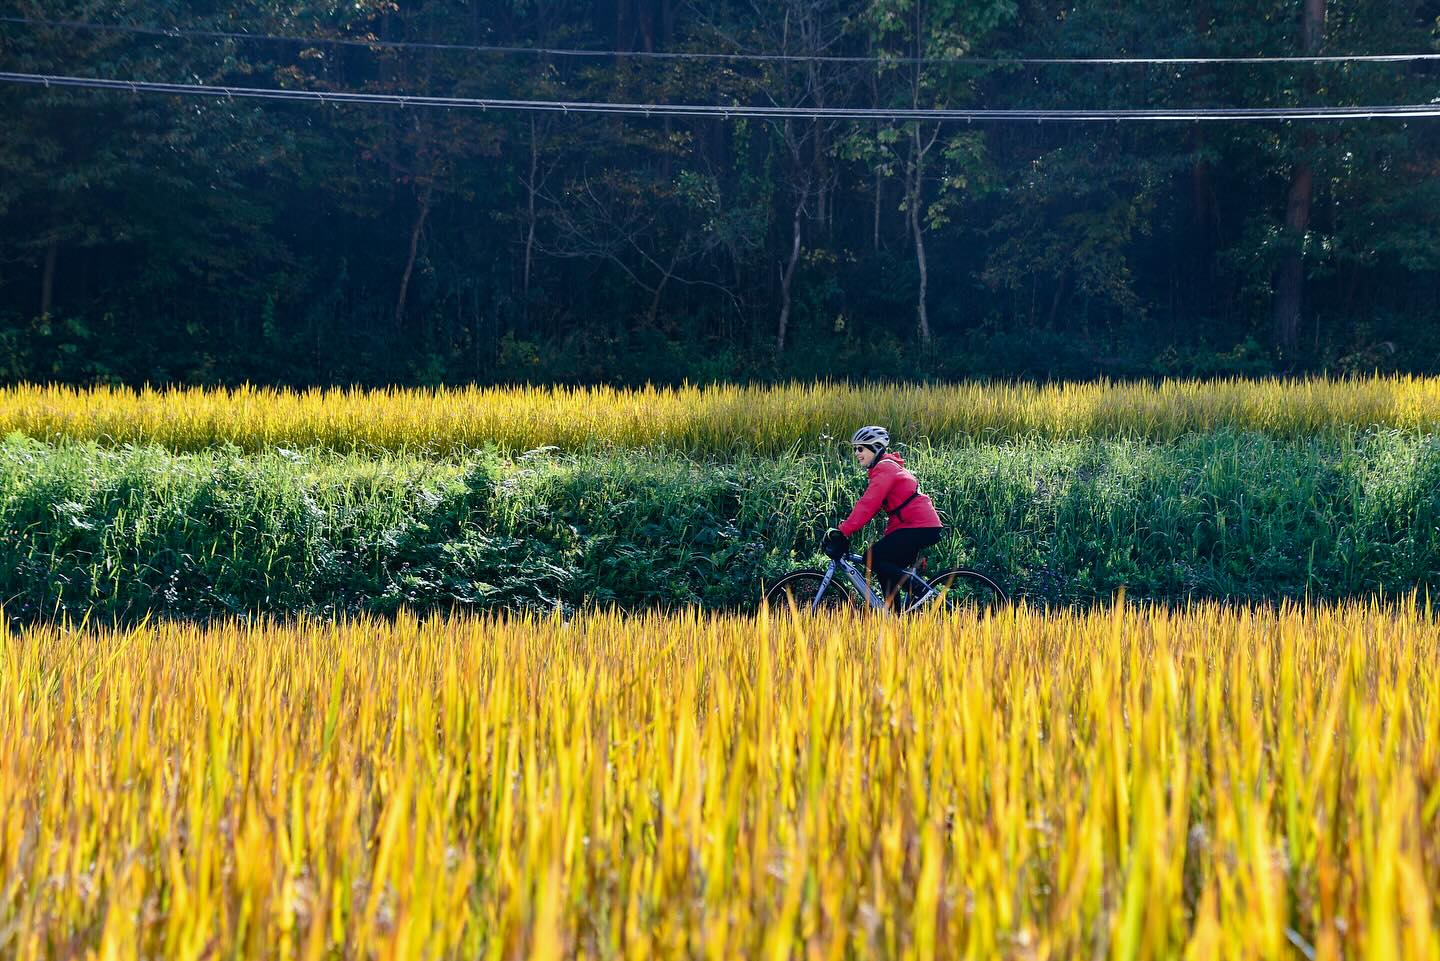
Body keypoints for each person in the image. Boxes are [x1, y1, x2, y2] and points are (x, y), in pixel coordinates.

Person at [821, 426, 944, 610]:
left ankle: (916, 587)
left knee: (873, 557)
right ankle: (893, 619)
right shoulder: (886, 468)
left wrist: (843, 530)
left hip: (920, 526)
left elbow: (868, 504)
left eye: (861, 448)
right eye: (854, 449)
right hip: (916, 526)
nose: (856, 453)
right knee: (884, 568)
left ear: (875, 448)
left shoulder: (885, 469)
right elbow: (892, 513)